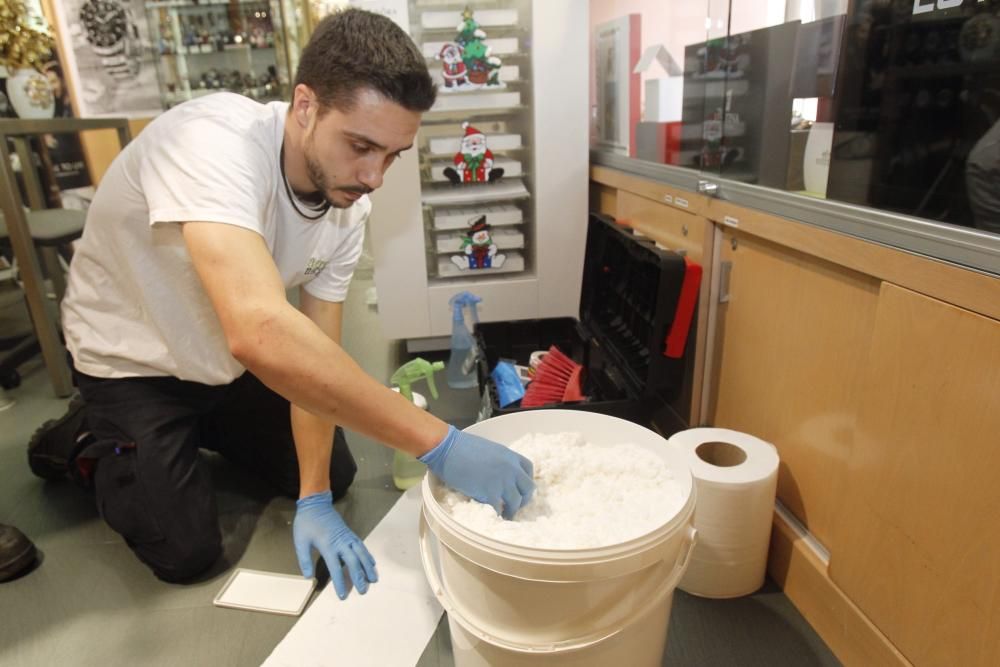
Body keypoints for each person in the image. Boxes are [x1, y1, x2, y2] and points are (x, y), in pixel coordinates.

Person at [27, 8, 535, 598]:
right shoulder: (211, 142)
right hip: (135, 365)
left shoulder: (348, 205)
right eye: (361, 145)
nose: (375, 176)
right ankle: (80, 439)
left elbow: (314, 352)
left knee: (334, 475)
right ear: (304, 105)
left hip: (225, 364)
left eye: (394, 154)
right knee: (185, 551)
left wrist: (315, 497)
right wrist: (439, 443)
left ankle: (198, 435)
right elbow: (258, 328)